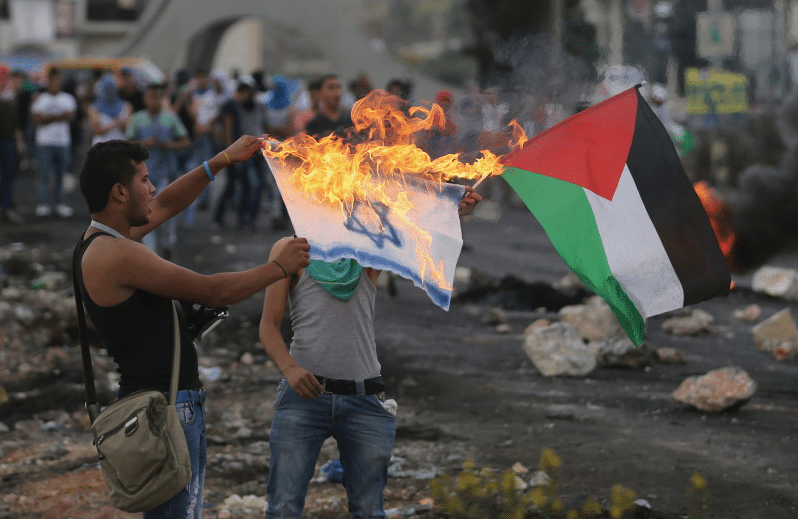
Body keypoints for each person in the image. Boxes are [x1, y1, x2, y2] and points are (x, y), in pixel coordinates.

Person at [75, 135, 311, 519]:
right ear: (119, 192)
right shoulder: (115, 253)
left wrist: (219, 161)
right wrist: (278, 268)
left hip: (169, 405)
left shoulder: (103, 240)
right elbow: (215, 291)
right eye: (144, 181)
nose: (152, 188)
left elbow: (167, 203)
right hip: (164, 412)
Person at [259, 189, 482, 518]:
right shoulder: (291, 249)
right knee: (282, 508)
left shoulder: (368, 248)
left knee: (368, 510)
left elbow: (416, 231)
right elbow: (268, 325)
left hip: (364, 401)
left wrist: (451, 210)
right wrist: (290, 369)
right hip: (303, 399)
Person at [126, 83, 191, 258]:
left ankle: (168, 242)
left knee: (164, 209)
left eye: (157, 96)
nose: (154, 100)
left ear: (162, 98)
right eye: (151, 96)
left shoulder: (170, 118)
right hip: (142, 175)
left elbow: (186, 142)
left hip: (165, 173)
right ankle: (150, 252)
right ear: (145, 99)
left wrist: (169, 145)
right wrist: (143, 143)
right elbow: (127, 143)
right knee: (145, 211)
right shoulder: (137, 119)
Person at [30, 67, 77, 218]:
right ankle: (43, 204)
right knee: (43, 175)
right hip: (45, 142)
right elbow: (37, 121)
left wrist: (47, 117)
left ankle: (59, 204)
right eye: (53, 81)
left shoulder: (68, 98)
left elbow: (71, 116)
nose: (55, 84)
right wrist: (59, 116)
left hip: (62, 142)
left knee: (60, 175)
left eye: (58, 81)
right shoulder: (40, 99)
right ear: (48, 82)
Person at [0, 65, 25, 223]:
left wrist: (19, 141)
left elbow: (16, 123)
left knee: (9, 174)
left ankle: (6, 208)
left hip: (9, 139)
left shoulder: (11, 97)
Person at [87, 73, 132, 145]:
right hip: (101, 146)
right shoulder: (94, 107)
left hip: (120, 145)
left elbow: (129, 129)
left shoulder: (126, 105)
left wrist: (120, 124)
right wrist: (116, 123)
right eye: (108, 88)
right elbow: (97, 131)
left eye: (112, 88)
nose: (110, 91)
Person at [304, 74, 353, 138]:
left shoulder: (350, 121)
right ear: (320, 93)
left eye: (338, 87)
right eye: (331, 87)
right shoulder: (314, 125)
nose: (336, 92)